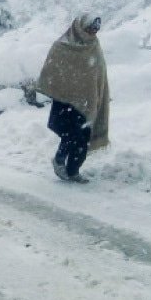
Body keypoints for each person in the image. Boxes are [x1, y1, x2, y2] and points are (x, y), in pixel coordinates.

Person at [37, 14, 110, 183]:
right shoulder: (61, 47)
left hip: (86, 101)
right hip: (65, 101)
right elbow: (53, 72)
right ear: (80, 27)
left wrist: (98, 95)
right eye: (90, 29)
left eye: (95, 30)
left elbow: (99, 75)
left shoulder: (94, 46)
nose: (93, 33)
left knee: (82, 138)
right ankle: (60, 160)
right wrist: (63, 89)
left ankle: (73, 170)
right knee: (71, 135)